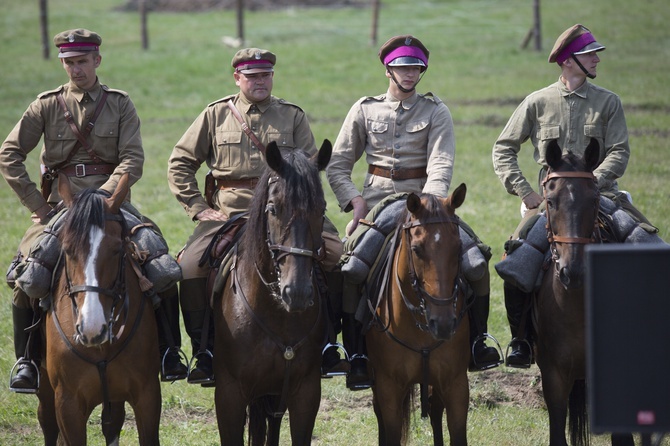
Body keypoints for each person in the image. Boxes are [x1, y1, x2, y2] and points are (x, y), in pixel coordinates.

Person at [0, 28, 188, 392]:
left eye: (82, 62)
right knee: (29, 272)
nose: (75, 70)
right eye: (69, 63)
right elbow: (9, 155)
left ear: (97, 60)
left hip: (112, 203)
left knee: (162, 266)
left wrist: (102, 198)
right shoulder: (46, 105)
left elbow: (132, 159)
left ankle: (168, 351)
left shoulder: (119, 103)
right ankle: (26, 360)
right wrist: (36, 204)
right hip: (59, 207)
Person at [327, 35, 502, 390]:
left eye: (416, 67)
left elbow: (441, 162)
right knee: (352, 268)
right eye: (404, 67)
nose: (410, 73)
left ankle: (477, 342)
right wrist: (354, 202)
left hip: (425, 205)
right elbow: (338, 164)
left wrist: (431, 204)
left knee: (474, 262)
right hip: (379, 204)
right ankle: (356, 353)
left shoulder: (436, 111)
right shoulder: (365, 109)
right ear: (388, 68)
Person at [168, 47, 346, 385]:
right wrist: (198, 207)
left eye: (265, 75)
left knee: (337, 258)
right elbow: (180, 162)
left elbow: (310, 165)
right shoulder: (216, 115)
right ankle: (203, 351)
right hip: (231, 213)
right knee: (189, 266)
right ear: (237, 78)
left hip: (287, 211)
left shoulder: (291, 115)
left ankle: (329, 346)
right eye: (252, 76)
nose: (259, 81)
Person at [492, 24, 660, 368]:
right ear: (569, 61)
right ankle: (521, 340)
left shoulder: (608, 102)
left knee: (652, 249)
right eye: (589, 54)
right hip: (551, 204)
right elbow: (503, 148)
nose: (597, 58)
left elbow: (619, 151)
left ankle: (653, 333)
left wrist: (590, 183)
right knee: (516, 258)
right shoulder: (537, 102)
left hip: (603, 196)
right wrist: (525, 191)